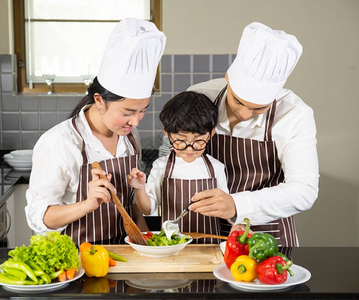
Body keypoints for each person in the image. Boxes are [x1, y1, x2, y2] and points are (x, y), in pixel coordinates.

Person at [25, 18, 166, 245]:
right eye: (128, 112)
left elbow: (130, 207)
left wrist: (146, 248)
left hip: (125, 259)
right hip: (77, 262)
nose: (135, 122)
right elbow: (41, 217)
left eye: (142, 111)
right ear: (99, 101)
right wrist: (87, 204)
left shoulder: (129, 137)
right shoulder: (59, 143)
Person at [187, 22, 319, 247]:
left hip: (267, 237)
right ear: (228, 77)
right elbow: (173, 151)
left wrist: (237, 204)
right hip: (203, 229)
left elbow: (304, 190)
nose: (245, 114)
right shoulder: (199, 96)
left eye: (259, 108)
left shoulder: (295, 114)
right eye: (237, 101)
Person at [128, 91, 229, 244]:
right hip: (171, 246)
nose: (189, 149)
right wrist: (139, 188)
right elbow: (146, 209)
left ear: (211, 134)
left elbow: (225, 211)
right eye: (180, 141)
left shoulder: (216, 168)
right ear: (167, 134)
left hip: (209, 246)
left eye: (199, 141)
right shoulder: (161, 166)